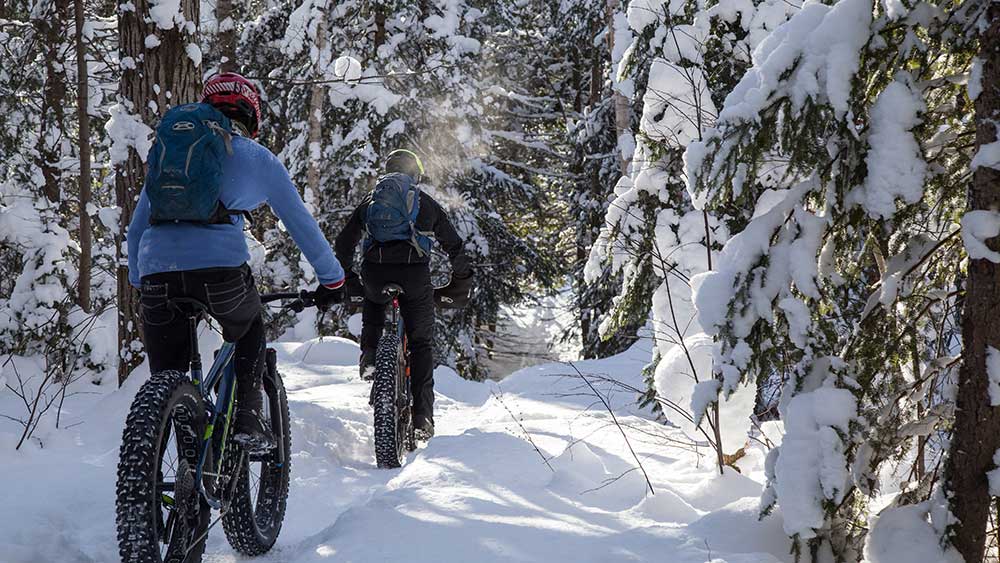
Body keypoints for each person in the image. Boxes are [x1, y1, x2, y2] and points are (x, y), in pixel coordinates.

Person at [126, 72, 346, 452]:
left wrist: (138, 278)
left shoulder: (171, 156)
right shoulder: (257, 158)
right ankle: (248, 414)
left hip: (156, 274)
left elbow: (136, 229)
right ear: (251, 115)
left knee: (168, 387)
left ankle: (169, 479)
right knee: (248, 328)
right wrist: (333, 279)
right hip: (220, 274)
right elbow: (301, 225)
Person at [335, 149, 473, 440]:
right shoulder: (424, 203)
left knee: (374, 300)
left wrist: (349, 277)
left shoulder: (370, 202)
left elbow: (344, 242)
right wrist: (460, 280)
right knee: (420, 343)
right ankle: (422, 417)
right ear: (416, 175)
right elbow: (454, 246)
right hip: (414, 278)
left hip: (375, 275)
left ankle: (371, 354)